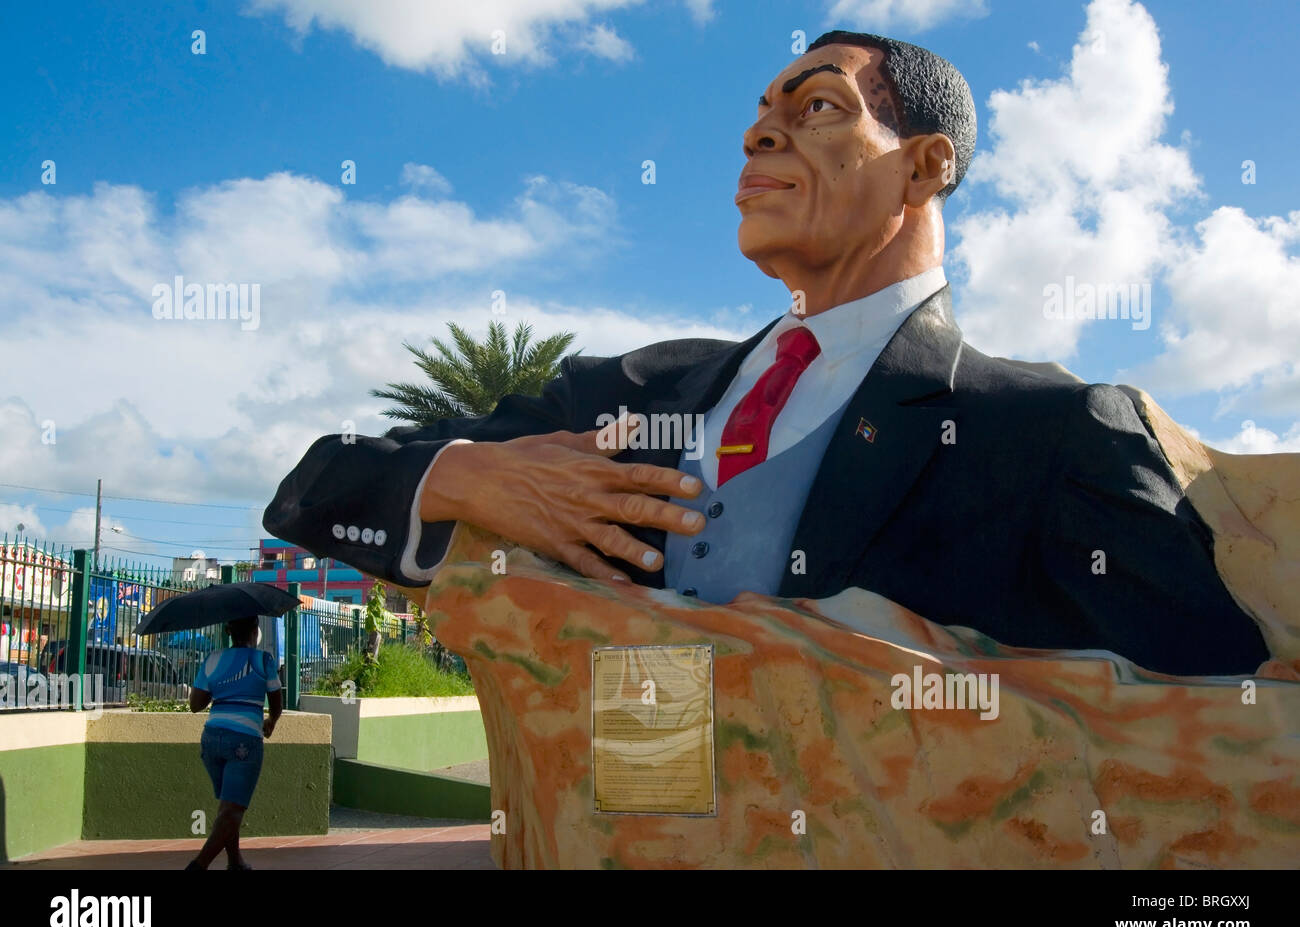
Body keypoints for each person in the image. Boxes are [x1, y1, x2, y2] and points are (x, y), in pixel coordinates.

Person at [263, 30, 1268, 677]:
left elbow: (1218, 720)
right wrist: (464, 476)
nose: (756, 139)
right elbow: (315, 488)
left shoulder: (1048, 432)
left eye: (814, 107)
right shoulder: (633, 389)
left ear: (923, 166)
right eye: (754, 122)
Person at [185, 616, 282, 870]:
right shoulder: (264, 660)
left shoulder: (213, 659)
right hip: (244, 740)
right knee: (233, 809)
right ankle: (199, 865)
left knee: (228, 805)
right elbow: (276, 700)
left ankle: (235, 862)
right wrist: (271, 720)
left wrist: (220, 688)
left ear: (230, 632)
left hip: (211, 739)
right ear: (254, 631)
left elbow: (196, 705)